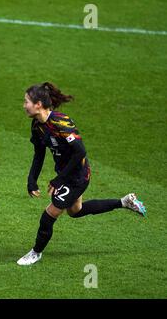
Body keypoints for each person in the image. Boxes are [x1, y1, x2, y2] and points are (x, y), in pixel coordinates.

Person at [17, 82, 146, 266]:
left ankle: (36, 253)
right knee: (75, 211)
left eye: (26, 101)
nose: (24, 105)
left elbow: (80, 152)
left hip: (77, 176)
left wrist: (58, 180)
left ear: (38, 104)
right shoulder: (37, 126)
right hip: (65, 174)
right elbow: (39, 154)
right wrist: (32, 180)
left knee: (49, 214)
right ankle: (124, 202)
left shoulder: (61, 122)